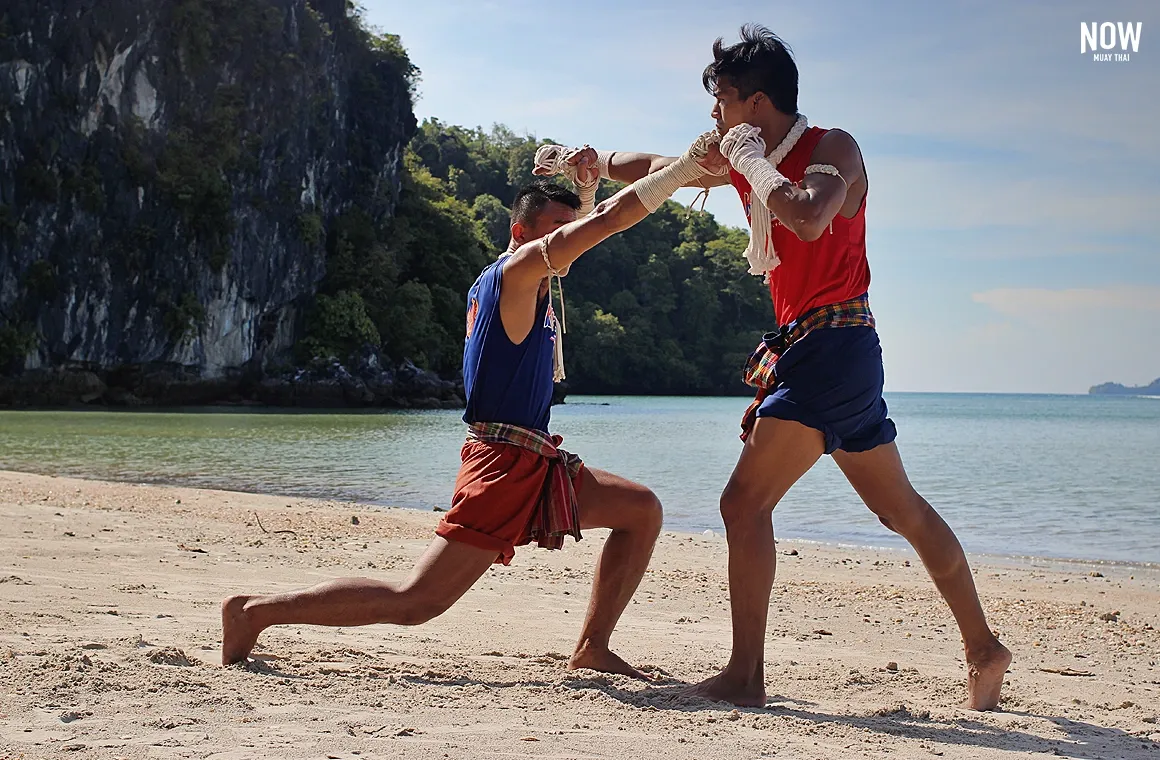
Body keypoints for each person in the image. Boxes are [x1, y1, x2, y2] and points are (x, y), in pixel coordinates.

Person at [540, 24, 1011, 709]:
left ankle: (745, 676)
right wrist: (598, 159)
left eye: (723, 100)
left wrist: (751, 161)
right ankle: (983, 647)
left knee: (744, 503)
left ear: (756, 103)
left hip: (833, 349)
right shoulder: (746, 150)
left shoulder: (833, 149)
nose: (714, 116)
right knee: (900, 511)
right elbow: (664, 169)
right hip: (828, 351)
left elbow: (810, 217)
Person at [221, 136, 724, 678]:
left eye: (565, 227)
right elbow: (603, 222)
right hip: (502, 464)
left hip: (534, 457)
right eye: (555, 230)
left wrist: (585, 178)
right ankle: (254, 613)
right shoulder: (517, 273)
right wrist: (683, 170)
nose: (565, 238)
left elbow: (586, 225)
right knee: (416, 602)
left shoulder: (526, 279)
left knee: (640, 509)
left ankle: (592, 648)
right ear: (521, 233)